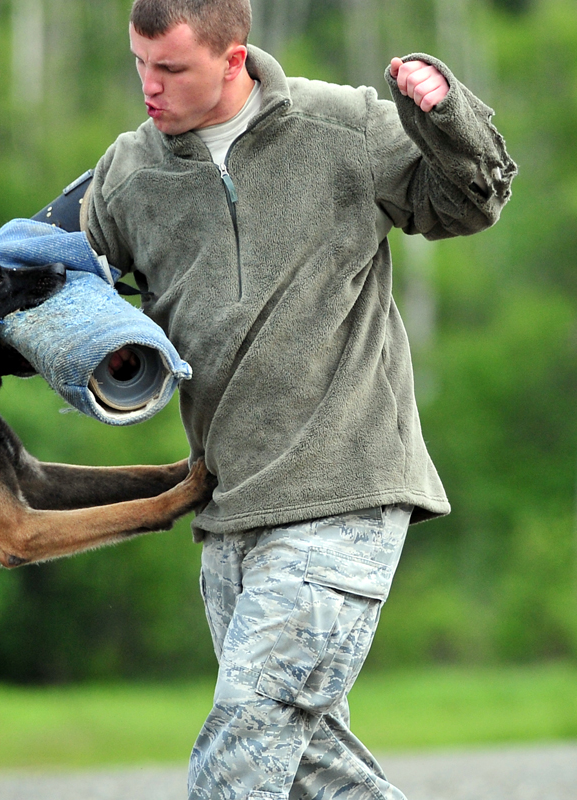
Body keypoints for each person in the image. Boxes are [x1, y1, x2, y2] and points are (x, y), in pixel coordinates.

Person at [73, 1, 516, 798]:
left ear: (234, 56)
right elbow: (53, 273)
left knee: (242, 749)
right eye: (139, 63)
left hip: (345, 490)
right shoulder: (129, 174)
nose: (148, 85)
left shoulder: (341, 127)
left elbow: (472, 197)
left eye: (170, 68)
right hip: (228, 514)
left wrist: (443, 111)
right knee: (311, 766)